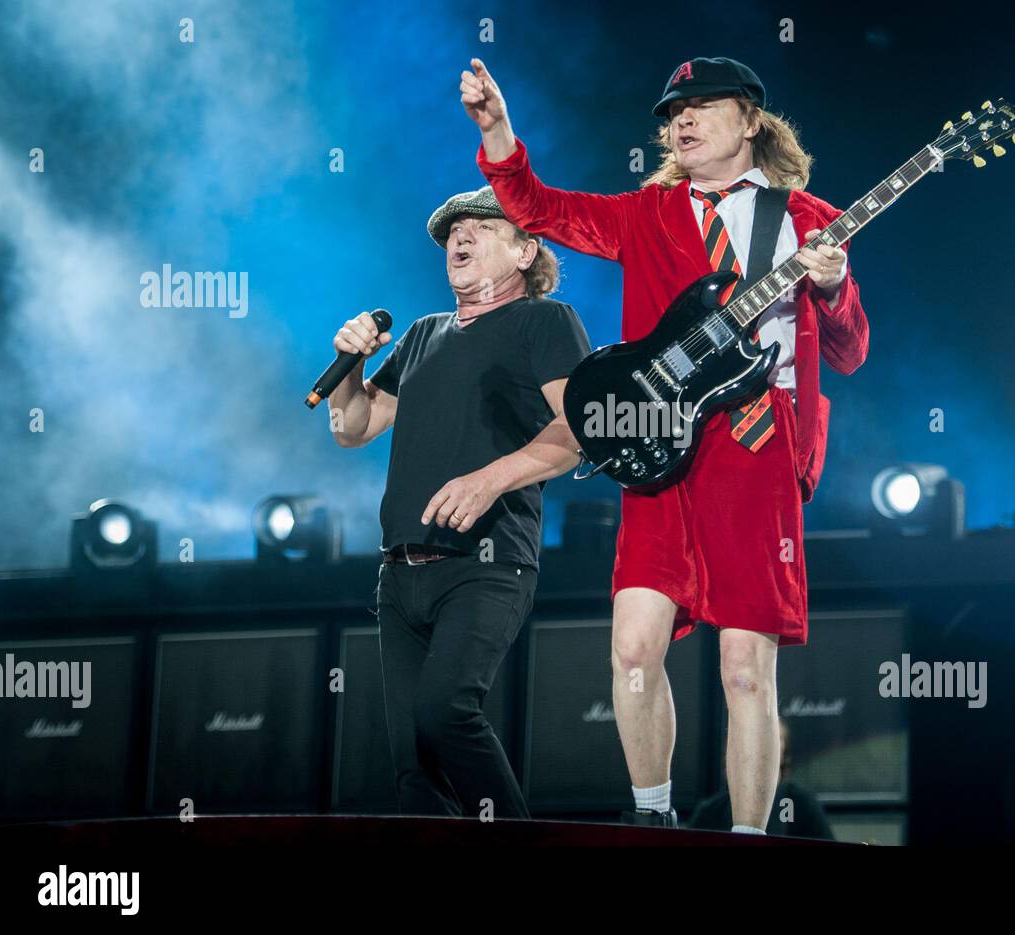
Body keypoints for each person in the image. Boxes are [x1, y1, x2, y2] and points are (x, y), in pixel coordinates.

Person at [462, 56, 870, 833]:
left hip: (755, 441)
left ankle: (748, 835)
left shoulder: (809, 217)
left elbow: (849, 351)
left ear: (751, 118)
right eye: (672, 111)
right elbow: (539, 208)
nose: (680, 120)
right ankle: (654, 820)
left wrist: (830, 285)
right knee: (632, 646)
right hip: (656, 435)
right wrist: (496, 130)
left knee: (745, 666)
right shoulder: (646, 214)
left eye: (701, 106)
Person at [327, 186, 591, 818]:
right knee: (412, 762)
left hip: (487, 562)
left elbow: (580, 431)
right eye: (452, 232)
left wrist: (489, 479)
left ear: (526, 250)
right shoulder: (422, 334)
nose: (460, 239)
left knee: (444, 713)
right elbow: (351, 428)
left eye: (480, 227)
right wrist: (348, 367)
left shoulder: (544, 321)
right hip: (401, 573)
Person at [688, 720, 835, 839]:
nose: (756, 746)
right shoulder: (709, 811)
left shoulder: (799, 803)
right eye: (748, 737)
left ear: (781, 752)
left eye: (768, 737)